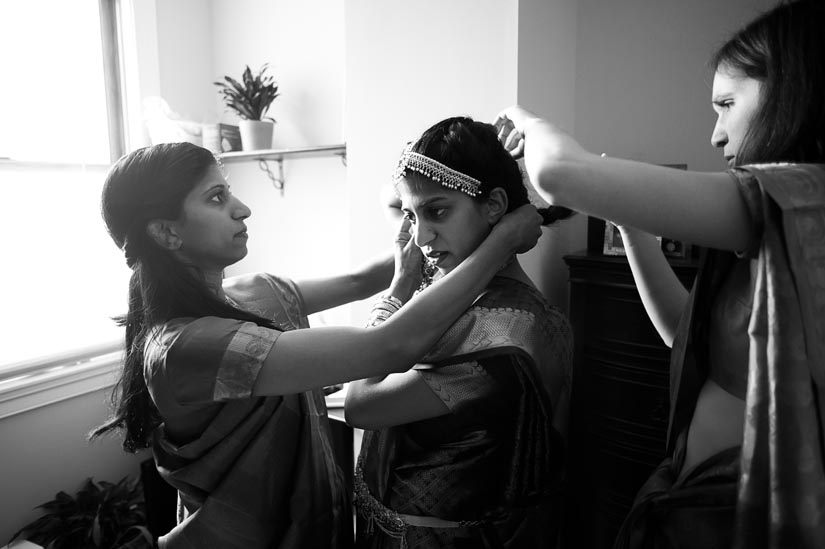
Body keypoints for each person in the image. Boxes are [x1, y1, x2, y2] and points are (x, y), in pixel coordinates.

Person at [89, 141, 544, 549]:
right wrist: (502, 239)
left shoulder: (252, 293)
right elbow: (389, 347)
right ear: (166, 232)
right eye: (216, 198)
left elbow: (363, 279)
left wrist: (468, 214)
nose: (242, 208)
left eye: (228, 190)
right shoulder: (186, 346)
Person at [494, 1, 825, 547]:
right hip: (696, 494)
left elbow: (557, 172)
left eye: (726, 104)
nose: (716, 135)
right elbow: (684, 335)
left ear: (793, 92)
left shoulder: (799, 198)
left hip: (738, 513)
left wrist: (530, 122)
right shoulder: (775, 223)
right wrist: (630, 226)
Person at [345, 116, 575, 549]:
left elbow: (360, 405)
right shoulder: (476, 301)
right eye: (412, 216)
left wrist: (399, 288)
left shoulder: (496, 335)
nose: (421, 237)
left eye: (436, 212)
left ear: (494, 206)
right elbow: (392, 198)